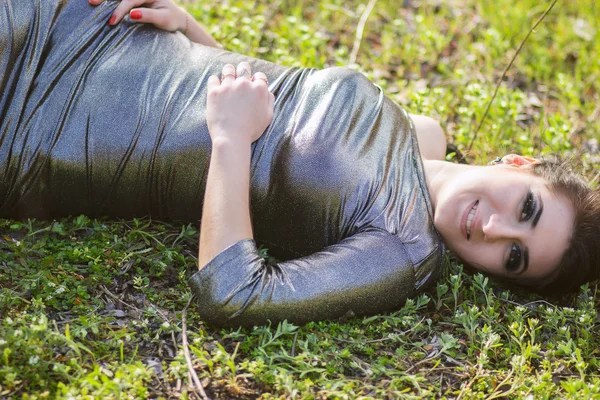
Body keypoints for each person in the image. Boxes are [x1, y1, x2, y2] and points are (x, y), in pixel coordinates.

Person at [2, 0, 598, 328]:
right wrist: (188, 30)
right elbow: (279, 103)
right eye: (526, 208)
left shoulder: (400, 254)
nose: (494, 229)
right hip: (88, 28)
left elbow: (233, 293)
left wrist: (230, 142)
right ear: (519, 164)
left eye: (513, 256)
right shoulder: (425, 135)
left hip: (37, 126)